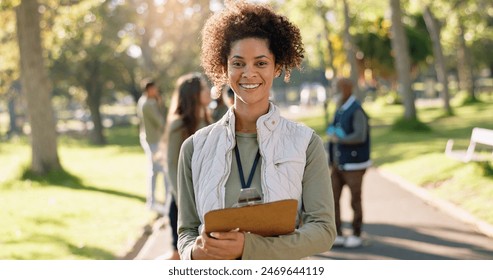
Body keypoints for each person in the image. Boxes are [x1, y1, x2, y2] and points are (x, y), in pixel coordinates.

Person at [176, 1, 336, 260]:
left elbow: (323, 230)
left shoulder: (306, 143)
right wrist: (194, 253)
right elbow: (186, 233)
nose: (249, 73)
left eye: (260, 63)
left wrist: (248, 248)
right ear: (224, 68)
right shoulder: (194, 148)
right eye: (238, 63)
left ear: (277, 67)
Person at [159, 72, 211, 260]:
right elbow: (171, 166)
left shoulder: (208, 121)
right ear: (194, 93)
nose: (209, 91)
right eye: (204, 88)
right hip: (182, 202)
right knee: (178, 256)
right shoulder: (178, 126)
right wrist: (184, 202)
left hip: (203, 201)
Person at [327, 78, 371, 248]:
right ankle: (337, 232)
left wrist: (340, 139)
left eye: (337, 88)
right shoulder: (340, 109)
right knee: (332, 198)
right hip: (338, 165)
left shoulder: (356, 110)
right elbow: (333, 129)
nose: (335, 92)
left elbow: (360, 135)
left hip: (354, 165)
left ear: (345, 89)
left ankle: (356, 233)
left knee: (355, 200)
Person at [136, 79, 169, 214]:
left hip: (151, 139)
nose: (156, 91)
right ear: (149, 89)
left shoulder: (144, 101)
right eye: (154, 89)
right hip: (154, 140)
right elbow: (160, 122)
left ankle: (156, 201)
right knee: (158, 170)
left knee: (156, 170)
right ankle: (158, 201)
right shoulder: (148, 104)